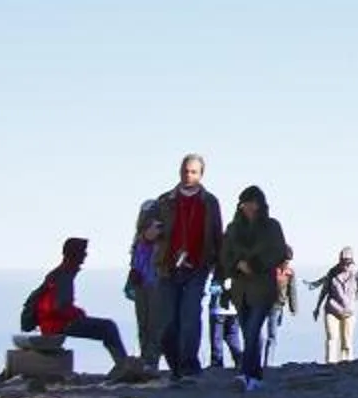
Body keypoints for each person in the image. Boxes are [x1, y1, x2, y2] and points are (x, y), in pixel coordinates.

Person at [155, 154, 225, 381]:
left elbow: (217, 235)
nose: (188, 175)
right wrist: (149, 233)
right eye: (186, 171)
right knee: (168, 321)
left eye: (193, 172)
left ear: (201, 174)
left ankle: (188, 366)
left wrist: (220, 269)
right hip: (168, 266)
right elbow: (146, 228)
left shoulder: (210, 202)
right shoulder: (165, 201)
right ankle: (175, 366)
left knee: (190, 316)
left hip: (198, 266)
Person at [218, 185, 294, 391]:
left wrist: (256, 265)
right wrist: (236, 265)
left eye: (254, 203)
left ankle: (246, 373)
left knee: (253, 330)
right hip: (240, 290)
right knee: (248, 332)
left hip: (263, 288)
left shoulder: (271, 227)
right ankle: (255, 374)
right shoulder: (233, 229)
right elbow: (224, 255)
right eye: (246, 203)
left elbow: (279, 251)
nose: (251, 207)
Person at [26, 238, 132, 370]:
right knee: (108, 327)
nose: (85, 255)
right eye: (83, 252)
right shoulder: (63, 275)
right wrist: (78, 313)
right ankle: (124, 365)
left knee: (107, 327)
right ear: (74, 254)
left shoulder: (59, 273)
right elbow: (57, 307)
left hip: (52, 324)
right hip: (57, 324)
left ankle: (122, 364)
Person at [122, 204, 169, 371]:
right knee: (143, 323)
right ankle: (145, 359)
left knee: (155, 325)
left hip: (157, 283)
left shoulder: (162, 234)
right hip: (141, 284)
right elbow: (135, 261)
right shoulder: (139, 239)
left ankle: (151, 360)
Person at [309, 248, 358, 362]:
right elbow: (324, 291)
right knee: (331, 338)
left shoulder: (357, 272)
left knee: (347, 342)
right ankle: (330, 364)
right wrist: (317, 308)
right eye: (343, 261)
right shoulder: (332, 272)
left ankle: (346, 363)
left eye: (347, 262)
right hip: (332, 309)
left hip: (349, 312)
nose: (345, 264)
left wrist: (353, 303)